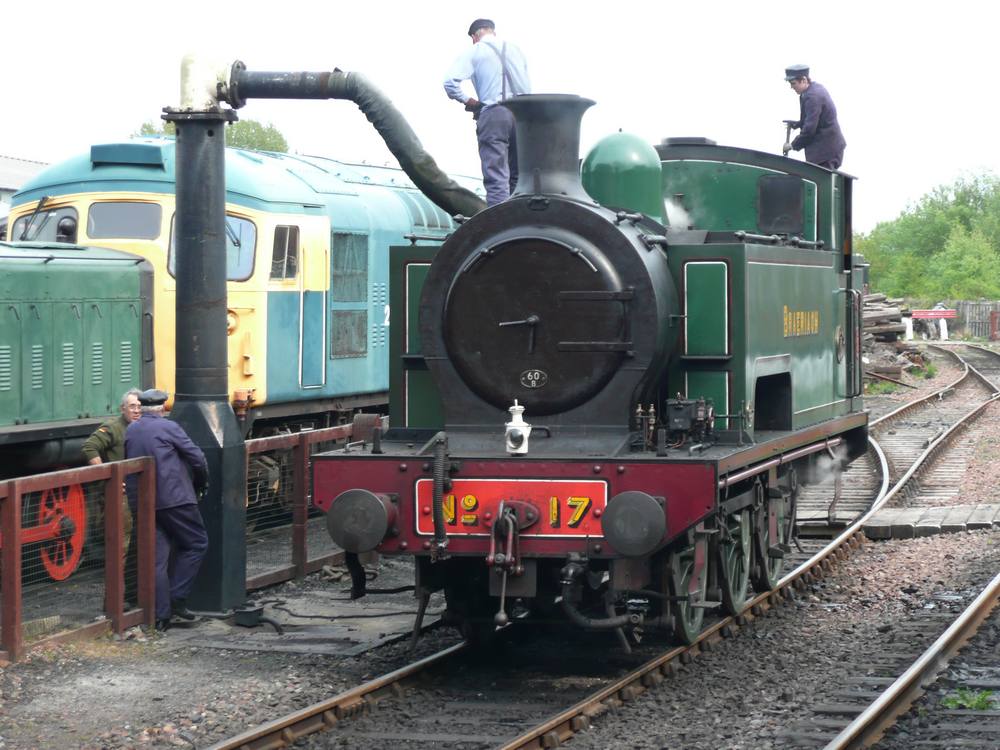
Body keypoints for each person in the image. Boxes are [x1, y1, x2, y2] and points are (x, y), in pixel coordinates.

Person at [125, 389, 209, 632]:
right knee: (197, 543)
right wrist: (200, 483)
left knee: (157, 560)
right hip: (175, 500)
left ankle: (161, 618)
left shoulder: (132, 430)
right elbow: (197, 457)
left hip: (143, 502)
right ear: (162, 408)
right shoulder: (168, 427)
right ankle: (177, 597)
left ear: (142, 407)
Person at [444, 18, 531, 206]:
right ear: (493, 32)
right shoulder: (516, 50)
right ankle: (520, 220)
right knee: (519, 176)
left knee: (496, 175)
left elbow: (450, 82)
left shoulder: (476, 51)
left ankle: (501, 226)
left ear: (475, 36)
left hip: (495, 112)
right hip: (525, 116)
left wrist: (470, 101)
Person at [81, 388, 142, 607]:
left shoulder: (143, 428)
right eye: (132, 406)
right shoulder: (114, 428)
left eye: (139, 406)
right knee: (121, 547)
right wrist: (110, 477)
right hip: (122, 496)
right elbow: (89, 447)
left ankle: (133, 596)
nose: (137, 411)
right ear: (123, 409)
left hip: (140, 493)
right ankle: (114, 601)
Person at [784, 64, 846, 170]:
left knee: (821, 182)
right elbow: (816, 119)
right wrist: (798, 124)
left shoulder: (813, 97)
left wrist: (792, 145)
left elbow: (809, 130)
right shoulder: (812, 89)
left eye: (793, 83)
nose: (792, 87)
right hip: (825, 149)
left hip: (826, 152)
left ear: (803, 80)